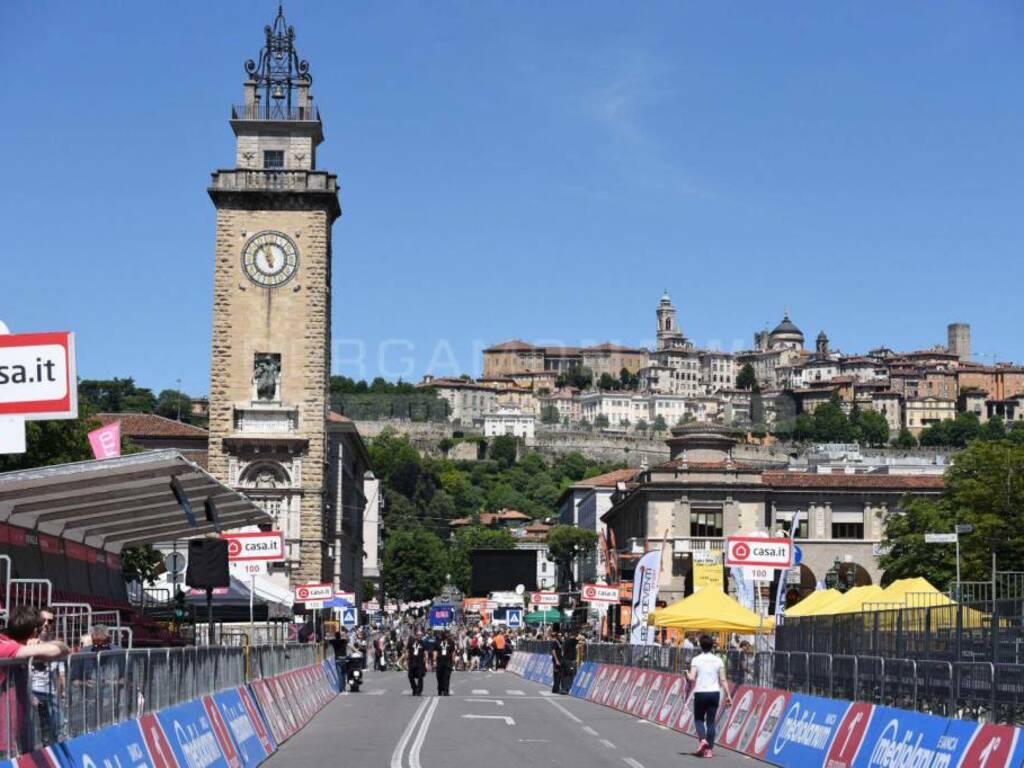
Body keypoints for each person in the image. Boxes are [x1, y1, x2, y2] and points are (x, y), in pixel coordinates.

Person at [686, 635, 733, 759]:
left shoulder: (696, 659)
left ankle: (702, 740)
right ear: (712, 646)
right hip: (714, 693)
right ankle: (709, 750)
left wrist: (686, 673)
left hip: (701, 692)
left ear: (700, 645)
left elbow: (691, 678)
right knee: (711, 721)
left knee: (699, 719)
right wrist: (728, 695)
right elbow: (723, 679)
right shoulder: (718, 660)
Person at [406, 629, 426, 696]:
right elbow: (408, 651)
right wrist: (406, 660)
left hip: (420, 662)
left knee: (420, 677)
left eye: (421, 635)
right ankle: (414, 688)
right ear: (415, 635)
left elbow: (425, 653)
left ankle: (419, 691)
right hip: (412, 661)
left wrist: (426, 663)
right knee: (410, 676)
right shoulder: (411, 642)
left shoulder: (423, 643)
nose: (419, 636)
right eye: (418, 635)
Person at [434, 631, 455, 696]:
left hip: (448, 661)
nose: (446, 636)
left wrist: (453, 661)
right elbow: (435, 651)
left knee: (447, 677)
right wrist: (434, 661)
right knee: (439, 677)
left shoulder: (451, 642)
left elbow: (453, 652)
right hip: (440, 661)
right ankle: (440, 690)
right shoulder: (437, 642)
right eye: (445, 635)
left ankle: (446, 691)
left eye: (447, 635)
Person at [549, 630, 563, 695]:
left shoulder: (561, 642)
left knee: (560, 676)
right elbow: (553, 651)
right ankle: (555, 689)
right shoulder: (555, 642)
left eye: (561, 635)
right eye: (559, 635)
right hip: (556, 661)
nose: (560, 636)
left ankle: (557, 688)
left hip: (561, 660)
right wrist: (556, 660)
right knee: (556, 675)